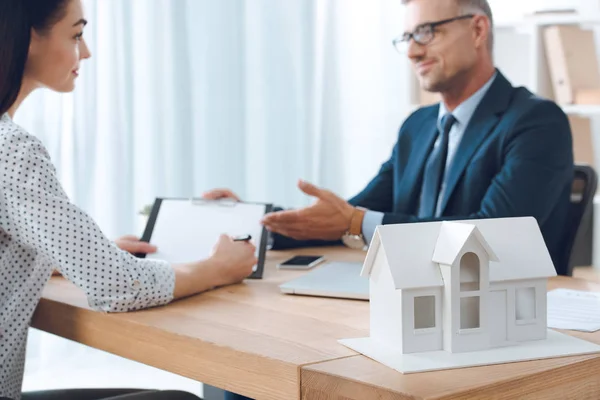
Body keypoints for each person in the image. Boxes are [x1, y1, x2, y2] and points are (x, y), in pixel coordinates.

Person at [205, 0, 574, 280]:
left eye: (427, 32)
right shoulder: (418, 126)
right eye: (408, 37)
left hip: (494, 307)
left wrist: (354, 221)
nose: (414, 51)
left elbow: (493, 236)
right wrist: (258, 220)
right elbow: (352, 213)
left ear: (478, 30)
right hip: (416, 294)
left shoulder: (536, 121)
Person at [0, 1, 259, 399]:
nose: (85, 51)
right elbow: (120, 286)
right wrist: (217, 269)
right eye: (76, 34)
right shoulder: (13, 150)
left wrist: (76, 256)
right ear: (28, 36)